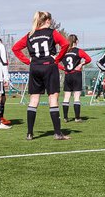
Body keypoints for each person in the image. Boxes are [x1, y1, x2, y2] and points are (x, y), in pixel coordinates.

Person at [12, 11, 70, 140]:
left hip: (35, 67)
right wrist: (58, 58)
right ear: (48, 21)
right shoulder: (52, 32)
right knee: (53, 98)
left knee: (34, 99)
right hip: (49, 66)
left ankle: (29, 133)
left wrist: (28, 61)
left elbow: (15, 48)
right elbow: (65, 44)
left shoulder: (30, 35)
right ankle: (57, 133)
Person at [59, 34, 94, 122]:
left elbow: (56, 62)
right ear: (76, 41)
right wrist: (81, 64)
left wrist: (64, 68)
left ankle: (65, 117)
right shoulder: (79, 51)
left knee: (66, 97)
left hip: (67, 75)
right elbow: (89, 59)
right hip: (76, 74)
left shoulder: (64, 52)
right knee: (76, 97)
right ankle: (77, 118)